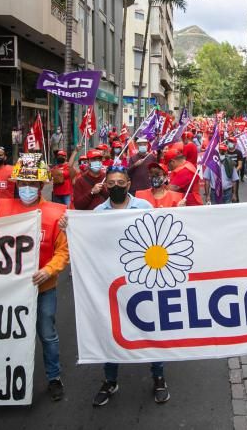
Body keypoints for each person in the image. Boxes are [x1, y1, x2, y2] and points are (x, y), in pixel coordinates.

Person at [0, 154, 69, 401]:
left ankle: (54, 377)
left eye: (31, 184)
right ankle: (7, 381)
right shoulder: (2, 210)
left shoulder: (57, 214)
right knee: (8, 337)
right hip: (9, 290)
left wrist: (49, 270)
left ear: (41, 186)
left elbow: (63, 251)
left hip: (44, 288)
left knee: (47, 334)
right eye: (22, 183)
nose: (26, 188)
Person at [91, 167, 171, 406]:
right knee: (111, 329)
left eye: (121, 182)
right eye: (112, 182)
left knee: (150, 328)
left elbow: (159, 239)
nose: (116, 186)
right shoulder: (97, 212)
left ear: (128, 183)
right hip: (111, 281)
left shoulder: (144, 208)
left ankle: (158, 376)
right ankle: (110, 379)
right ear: (106, 185)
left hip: (142, 280)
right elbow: (91, 244)